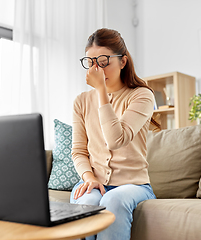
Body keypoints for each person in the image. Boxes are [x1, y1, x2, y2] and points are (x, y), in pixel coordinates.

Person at [70, 28, 159, 240]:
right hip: (95, 181)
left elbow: (115, 139)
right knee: (88, 202)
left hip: (134, 186)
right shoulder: (81, 101)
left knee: (113, 200)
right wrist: (89, 177)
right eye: (91, 62)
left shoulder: (142, 95)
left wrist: (101, 91)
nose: (97, 69)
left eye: (103, 61)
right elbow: (78, 151)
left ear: (123, 61)